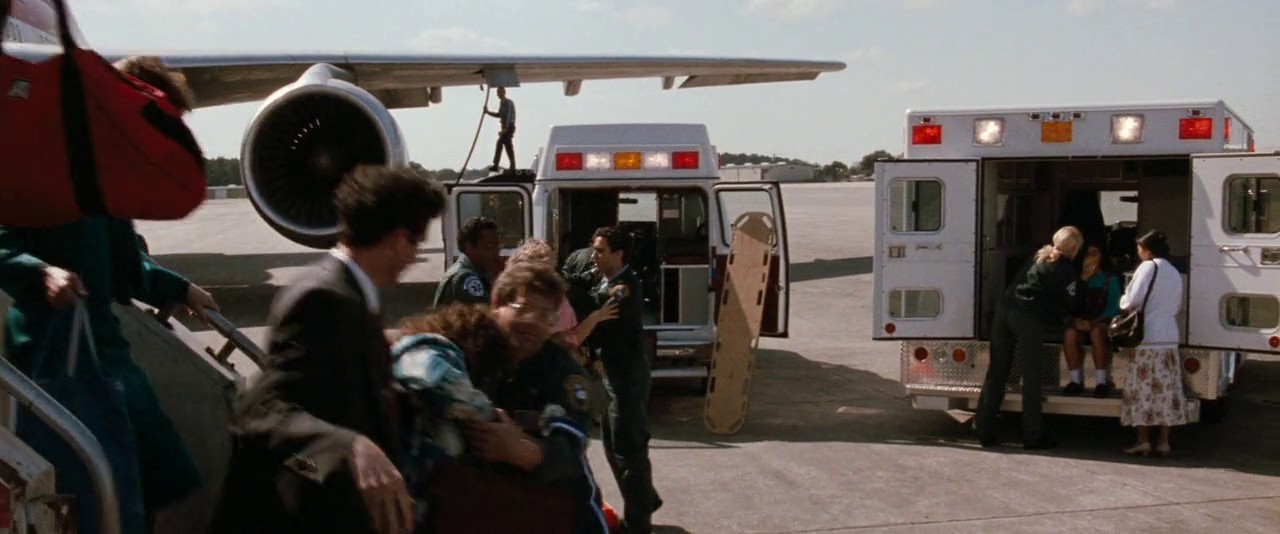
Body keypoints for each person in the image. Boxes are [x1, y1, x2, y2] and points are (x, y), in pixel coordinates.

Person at [1, 55, 216, 534]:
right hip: (53, 352)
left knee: (165, 478)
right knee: (98, 486)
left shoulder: (105, 176)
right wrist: (40, 274)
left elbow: (126, 270)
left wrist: (179, 287)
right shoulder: (42, 159)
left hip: (104, 350)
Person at [211, 165, 446, 534]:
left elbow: (342, 393)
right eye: (416, 244)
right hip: (301, 514)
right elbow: (260, 411)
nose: (415, 257)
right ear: (399, 239)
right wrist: (349, 446)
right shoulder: (324, 299)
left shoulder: (352, 294)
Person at [452, 262, 610, 534]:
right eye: (524, 309)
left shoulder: (565, 373)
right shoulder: (466, 353)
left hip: (555, 513)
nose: (533, 324)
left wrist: (521, 451)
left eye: (546, 316)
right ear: (497, 304)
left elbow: (570, 447)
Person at [974, 226, 1089, 450]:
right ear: (1074, 248)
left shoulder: (1038, 256)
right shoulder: (1065, 269)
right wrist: (1083, 279)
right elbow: (1073, 303)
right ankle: (1033, 435)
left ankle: (984, 429)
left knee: (997, 372)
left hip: (1004, 310)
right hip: (1027, 318)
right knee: (1032, 377)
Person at [584, 226, 662, 532]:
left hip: (627, 376)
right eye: (594, 249)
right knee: (611, 444)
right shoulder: (604, 280)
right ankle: (645, 498)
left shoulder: (622, 287)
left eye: (600, 251)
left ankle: (639, 523)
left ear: (618, 255)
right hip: (611, 373)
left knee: (629, 450)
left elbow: (594, 305)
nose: (594, 256)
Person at [1119, 230, 1193, 457]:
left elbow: (1131, 301)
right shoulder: (1173, 271)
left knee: (1143, 390)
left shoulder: (1147, 267)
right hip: (1169, 337)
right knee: (1166, 390)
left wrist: (1123, 299)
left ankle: (1143, 440)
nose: (1138, 253)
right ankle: (1163, 441)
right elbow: (1177, 305)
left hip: (1147, 338)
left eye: (1139, 249)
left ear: (1148, 251)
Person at [507, 238, 618, 353]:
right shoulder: (543, 301)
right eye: (548, 266)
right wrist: (596, 316)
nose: (552, 272)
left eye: (552, 265)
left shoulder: (513, 296)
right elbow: (571, 340)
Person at [1062, 243, 1123, 397]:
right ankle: (1075, 381)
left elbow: (1114, 308)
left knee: (1096, 333)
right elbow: (1068, 303)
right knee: (1070, 334)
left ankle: (1101, 382)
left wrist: (1093, 322)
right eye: (1088, 254)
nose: (1091, 258)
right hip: (1080, 321)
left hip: (1101, 322)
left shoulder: (1110, 280)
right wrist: (1077, 321)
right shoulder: (1075, 279)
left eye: (1095, 254)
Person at [433, 216, 501, 307]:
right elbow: (484, 311)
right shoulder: (465, 278)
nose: (495, 253)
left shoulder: (476, 271)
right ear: (469, 247)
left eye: (498, 246)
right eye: (489, 247)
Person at [486, 87, 517, 172]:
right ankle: (508, 165)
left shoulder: (508, 103)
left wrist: (505, 129)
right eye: (498, 93)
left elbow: (509, 116)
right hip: (504, 128)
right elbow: (499, 115)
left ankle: (499, 165)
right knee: (506, 145)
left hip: (509, 127)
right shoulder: (502, 103)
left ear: (504, 92)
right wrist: (488, 112)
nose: (499, 95)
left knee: (502, 144)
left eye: (501, 92)